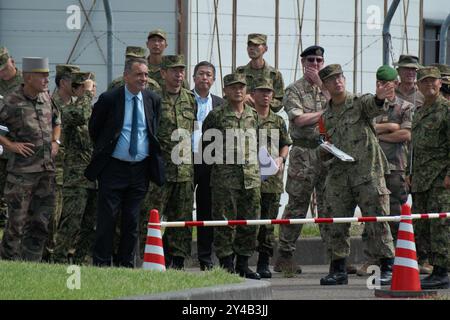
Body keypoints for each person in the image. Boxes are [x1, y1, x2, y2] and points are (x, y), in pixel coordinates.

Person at [318, 64, 395, 286]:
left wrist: (380, 98)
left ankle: (387, 265)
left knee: (378, 220)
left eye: (340, 77)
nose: (337, 82)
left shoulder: (360, 103)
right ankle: (338, 269)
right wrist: (322, 150)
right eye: (331, 80)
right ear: (325, 85)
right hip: (340, 177)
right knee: (337, 223)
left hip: (367, 173)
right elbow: (323, 143)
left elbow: (375, 106)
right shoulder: (326, 116)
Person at [85, 57, 162, 267]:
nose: (143, 79)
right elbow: (95, 129)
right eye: (138, 74)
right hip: (113, 168)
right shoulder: (110, 99)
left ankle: (125, 264)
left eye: (146, 74)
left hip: (140, 170)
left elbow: (153, 130)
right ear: (126, 76)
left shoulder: (152, 99)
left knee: (131, 220)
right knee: (107, 218)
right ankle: (101, 262)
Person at [273, 45, 331, 274]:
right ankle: (285, 255)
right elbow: (299, 120)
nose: (315, 64)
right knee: (297, 205)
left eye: (318, 60)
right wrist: (327, 113)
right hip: (303, 153)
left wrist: (321, 85)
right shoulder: (293, 90)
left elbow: (343, 109)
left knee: (330, 204)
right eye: (310, 60)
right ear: (302, 63)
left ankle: (337, 256)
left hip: (327, 151)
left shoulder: (329, 88)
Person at [0, 57, 61, 261]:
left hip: (46, 171)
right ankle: (9, 263)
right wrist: (10, 145)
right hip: (22, 174)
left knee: (41, 222)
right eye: (41, 75)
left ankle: (31, 263)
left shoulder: (46, 97)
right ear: (28, 77)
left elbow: (57, 119)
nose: (46, 79)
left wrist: (56, 141)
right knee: (16, 223)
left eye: (47, 75)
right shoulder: (11, 100)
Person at [139, 55, 195, 270]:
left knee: (181, 219)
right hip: (160, 170)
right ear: (163, 73)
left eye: (181, 70)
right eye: (174, 70)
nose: (179, 74)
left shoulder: (189, 99)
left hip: (185, 171)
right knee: (151, 216)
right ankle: (148, 259)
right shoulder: (153, 99)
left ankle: (177, 261)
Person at [202, 73, 261, 280]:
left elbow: (258, 144)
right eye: (233, 87)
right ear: (225, 91)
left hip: (251, 178)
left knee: (250, 221)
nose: (238, 90)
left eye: (242, 87)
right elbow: (207, 146)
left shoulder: (253, 115)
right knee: (225, 223)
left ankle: (243, 263)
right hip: (225, 179)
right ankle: (226, 264)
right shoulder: (216, 116)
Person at [357, 65, 413, 276]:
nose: (383, 87)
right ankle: (373, 259)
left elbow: (404, 135)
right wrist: (390, 127)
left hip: (394, 167)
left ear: (396, 84)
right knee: (373, 215)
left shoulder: (405, 107)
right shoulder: (371, 105)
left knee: (396, 214)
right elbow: (363, 130)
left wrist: (377, 135)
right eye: (380, 83)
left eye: (388, 84)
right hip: (371, 168)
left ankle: (400, 258)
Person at [406, 66, 450, 289]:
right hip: (421, 179)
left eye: (433, 81)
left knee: (440, 225)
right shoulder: (420, 111)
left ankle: (442, 272)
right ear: (419, 86)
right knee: (423, 226)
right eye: (424, 82)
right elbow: (414, 147)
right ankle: (434, 268)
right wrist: (409, 173)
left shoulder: (447, 109)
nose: (429, 85)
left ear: (440, 84)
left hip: (440, 178)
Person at [53, 71, 97, 265]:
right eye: (86, 87)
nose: (91, 90)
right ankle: (59, 259)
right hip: (75, 178)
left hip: (93, 177)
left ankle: (80, 261)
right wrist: (85, 96)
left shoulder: (92, 110)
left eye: (92, 87)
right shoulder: (67, 109)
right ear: (76, 89)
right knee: (71, 223)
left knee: (90, 225)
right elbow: (79, 115)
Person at [252, 77, 291, 278]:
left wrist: (281, 158)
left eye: (269, 92)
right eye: (261, 91)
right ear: (253, 94)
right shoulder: (248, 118)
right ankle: (241, 261)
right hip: (251, 179)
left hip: (273, 180)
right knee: (250, 221)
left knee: (268, 224)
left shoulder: (278, 120)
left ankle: (263, 262)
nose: (266, 95)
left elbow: (286, 142)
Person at [41, 64, 80, 262]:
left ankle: (67, 253)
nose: (79, 83)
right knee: (53, 217)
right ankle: (48, 255)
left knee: (71, 216)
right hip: (56, 169)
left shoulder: (79, 104)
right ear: (63, 82)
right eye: (75, 79)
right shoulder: (51, 104)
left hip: (76, 172)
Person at [192, 61, 224, 271]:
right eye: (201, 74)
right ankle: (174, 256)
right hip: (184, 159)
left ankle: (205, 258)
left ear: (213, 80)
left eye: (209, 75)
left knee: (207, 210)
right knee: (179, 211)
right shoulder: (184, 100)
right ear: (194, 78)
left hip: (210, 163)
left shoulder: (221, 103)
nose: (205, 78)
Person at [0, 47, 23, 232]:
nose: (2, 72)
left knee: (17, 201)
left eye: (4, 67)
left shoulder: (27, 83)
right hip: (2, 149)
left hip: (20, 152)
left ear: (12, 62)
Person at [236, 33, 285, 112]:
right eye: (250, 45)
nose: (251, 48)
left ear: (265, 49)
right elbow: (229, 96)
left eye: (256, 45)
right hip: (243, 118)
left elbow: (280, 101)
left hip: (265, 120)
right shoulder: (240, 72)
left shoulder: (274, 74)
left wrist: (261, 103)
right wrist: (242, 98)